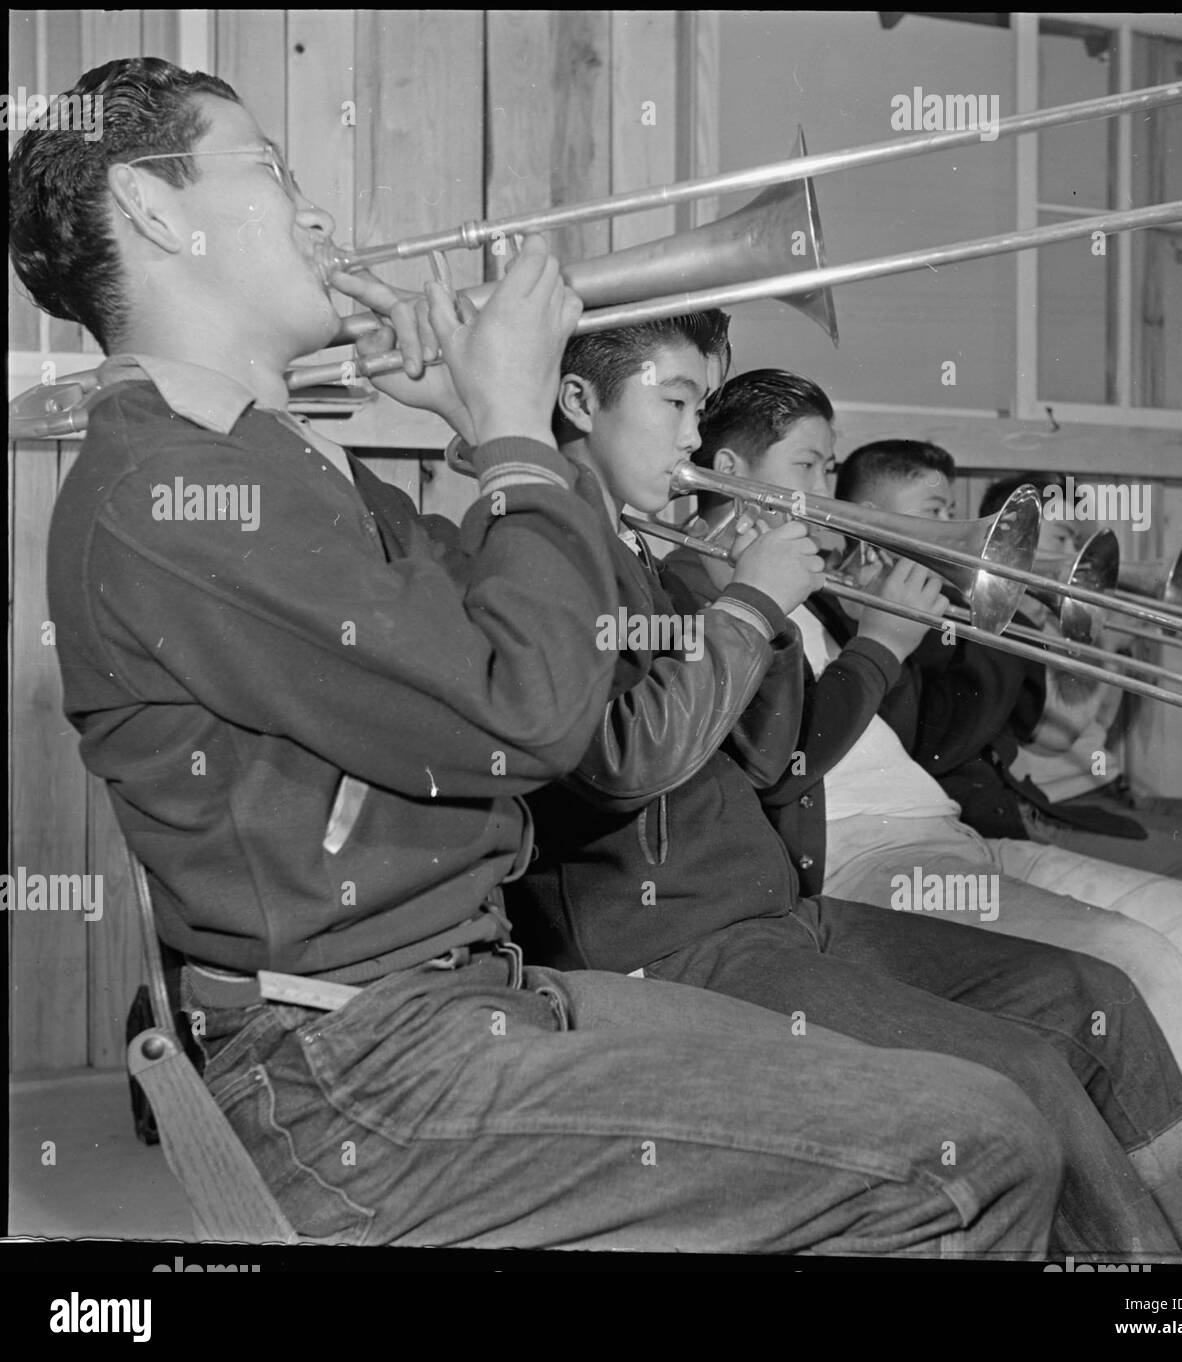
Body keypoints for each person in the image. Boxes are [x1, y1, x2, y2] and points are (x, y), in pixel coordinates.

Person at [12, 56, 1069, 1256]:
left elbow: (546, 646)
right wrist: (514, 426)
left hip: (461, 999)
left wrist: (484, 428)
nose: (313, 211)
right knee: (970, 1148)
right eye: (267, 168)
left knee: (980, 1099)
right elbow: (535, 712)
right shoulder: (177, 487)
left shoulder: (282, 463)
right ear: (153, 211)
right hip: (357, 1071)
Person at [507, 339, 1182, 1258]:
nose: (694, 438)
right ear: (582, 404)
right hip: (672, 938)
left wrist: (766, 608)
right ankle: (1160, 1291)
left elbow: (760, 750)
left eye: (702, 409)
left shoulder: (665, 560)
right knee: (1021, 1066)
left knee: (1088, 990)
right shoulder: (568, 556)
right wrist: (776, 612)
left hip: (782, 909)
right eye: (676, 405)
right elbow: (644, 759)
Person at [830, 442, 1182, 1104]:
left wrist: (1088, 634)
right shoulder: (891, 613)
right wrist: (1011, 623)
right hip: (1001, 820)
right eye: (937, 510)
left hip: (1012, 816)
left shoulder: (941, 613)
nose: (1057, 550)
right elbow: (979, 735)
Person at [975, 470, 1182, 952]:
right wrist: (1103, 647)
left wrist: (1124, 647)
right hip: (1054, 808)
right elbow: (1053, 734)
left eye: (1078, 539)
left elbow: (1097, 727)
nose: (1079, 555)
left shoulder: (1064, 616)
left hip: (1107, 789)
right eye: (1064, 538)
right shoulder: (1008, 623)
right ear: (1016, 539)